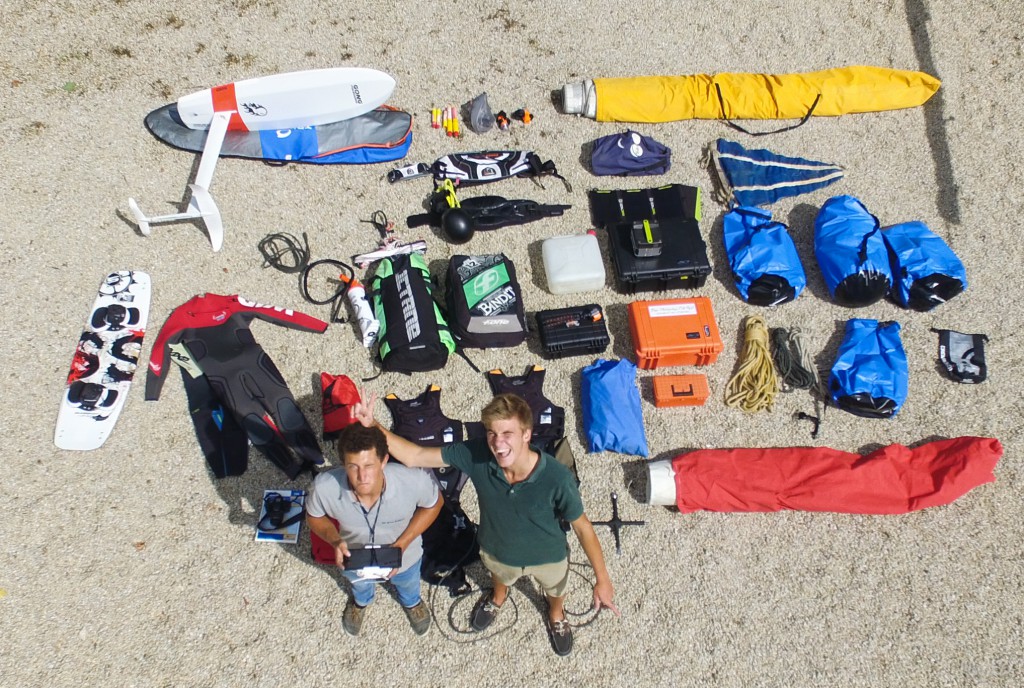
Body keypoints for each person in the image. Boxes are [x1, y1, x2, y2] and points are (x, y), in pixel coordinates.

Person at [352, 392, 619, 656]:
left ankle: (556, 614)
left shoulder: (557, 478)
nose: (497, 443)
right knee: (500, 578)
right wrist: (373, 426)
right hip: (496, 550)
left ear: (527, 434)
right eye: (491, 433)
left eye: (507, 434)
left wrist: (603, 579)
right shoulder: (477, 454)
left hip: (549, 557)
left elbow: (583, 527)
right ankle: (497, 598)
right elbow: (416, 455)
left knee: (556, 590)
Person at [306, 423, 442, 636]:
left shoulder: (413, 480)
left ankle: (412, 602)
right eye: (353, 467)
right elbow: (314, 517)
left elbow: (434, 504)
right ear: (343, 464)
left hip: (405, 557)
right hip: (353, 557)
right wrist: (335, 541)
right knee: (359, 586)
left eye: (369, 465)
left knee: (408, 582)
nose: (363, 476)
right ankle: (361, 602)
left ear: (384, 460)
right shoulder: (324, 487)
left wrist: (403, 543)